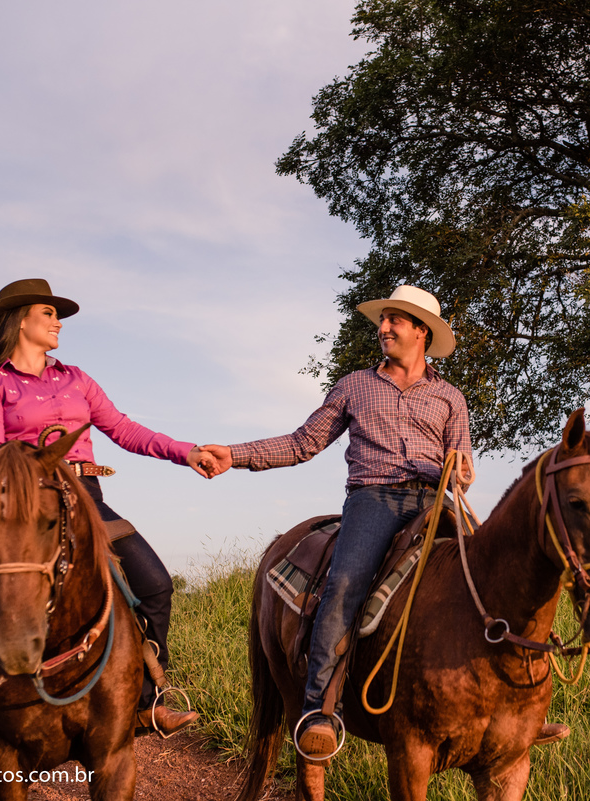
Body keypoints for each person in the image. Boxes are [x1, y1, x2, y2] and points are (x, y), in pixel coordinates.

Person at [200, 285, 569, 759]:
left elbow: (464, 466)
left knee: (495, 576)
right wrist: (234, 455)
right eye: (383, 319)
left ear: (421, 331)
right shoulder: (354, 386)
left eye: (395, 320)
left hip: (436, 500)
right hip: (374, 499)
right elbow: (302, 443)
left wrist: (461, 471)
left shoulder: (450, 397)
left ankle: (516, 710)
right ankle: (320, 709)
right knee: (344, 585)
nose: (384, 327)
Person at [0, 278, 210, 736]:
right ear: (20, 321)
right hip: (18, 500)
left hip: (84, 497)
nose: (58, 322)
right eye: (49, 313)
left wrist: (187, 451)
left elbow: (123, 429)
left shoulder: (77, 379)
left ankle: (148, 700)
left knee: (155, 583)